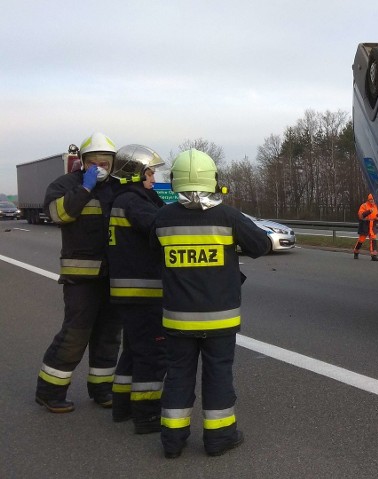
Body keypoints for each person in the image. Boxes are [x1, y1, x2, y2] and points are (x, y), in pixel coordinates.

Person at [152, 149, 270, 458]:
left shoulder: (162, 219)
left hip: (178, 320)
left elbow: (154, 257)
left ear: (175, 180)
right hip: (220, 320)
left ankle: (172, 443)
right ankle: (219, 439)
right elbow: (261, 244)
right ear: (213, 180)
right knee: (218, 376)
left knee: (178, 376)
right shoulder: (227, 216)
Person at [36, 131, 120, 413]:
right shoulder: (64, 185)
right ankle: (50, 392)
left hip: (112, 277)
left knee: (108, 336)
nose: (100, 166)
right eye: (94, 161)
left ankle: (102, 389)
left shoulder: (117, 188)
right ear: (83, 161)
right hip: (80, 279)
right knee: (75, 335)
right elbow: (59, 215)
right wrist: (84, 189)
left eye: (105, 161)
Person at [107, 144, 168, 433]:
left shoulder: (124, 199)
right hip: (143, 292)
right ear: (135, 174)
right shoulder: (135, 201)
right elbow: (161, 229)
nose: (153, 179)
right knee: (152, 355)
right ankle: (146, 415)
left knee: (132, 351)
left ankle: (122, 407)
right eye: (150, 173)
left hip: (128, 292)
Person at [353, 193, 378, 261]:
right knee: (361, 240)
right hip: (365, 224)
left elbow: (377, 216)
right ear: (368, 199)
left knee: (373, 240)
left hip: (372, 224)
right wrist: (368, 212)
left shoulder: (376, 206)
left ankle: (374, 255)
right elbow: (361, 215)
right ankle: (356, 251)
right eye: (371, 199)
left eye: (373, 199)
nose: (372, 201)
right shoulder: (364, 205)